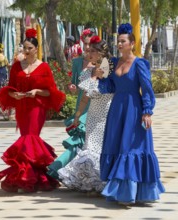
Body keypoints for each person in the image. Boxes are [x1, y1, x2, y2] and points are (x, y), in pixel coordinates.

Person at [96, 23, 165, 205]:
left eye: (123, 41)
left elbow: (147, 89)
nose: (119, 44)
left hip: (133, 109)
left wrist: (147, 112)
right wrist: (100, 76)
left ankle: (128, 193)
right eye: (118, 41)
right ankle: (121, 190)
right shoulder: (110, 63)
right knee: (116, 146)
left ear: (132, 43)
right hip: (117, 109)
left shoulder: (139, 63)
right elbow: (107, 89)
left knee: (130, 148)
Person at [0, 28, 66, 193]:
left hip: (37, 108)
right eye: (24, 48)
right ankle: (30, 177)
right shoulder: (16, 67)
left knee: (30, 137)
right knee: (25, 138)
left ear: (36, 49)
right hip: (22, 107)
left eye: (29, 48)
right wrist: (15, 95)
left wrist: (36, 92)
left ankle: (28, 177)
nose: (26, 51)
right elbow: (9, 88)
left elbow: (51, 92)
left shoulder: (44, 67)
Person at [57, 36, 113, 193]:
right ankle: (91, 183)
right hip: (92, 113)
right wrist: (78, 115)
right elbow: (84, 96)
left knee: (100, 147)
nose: (90, 53)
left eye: (94, 51)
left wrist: (94, 76)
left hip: (105, 112)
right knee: (90, 146)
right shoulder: (90, 70)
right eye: (89, 50)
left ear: (101, 53)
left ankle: (102, 182)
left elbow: (96, 90)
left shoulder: (106, 67)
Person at [47, 28, 95, 180]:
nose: (87, 47)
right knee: (80, 141)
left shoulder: (102, 62)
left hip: (97, 107)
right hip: (82, 106)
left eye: (90, 44)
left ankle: (81, 174)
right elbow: (73, 85)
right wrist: (72, 87)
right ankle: (58, 170)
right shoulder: (77, 62)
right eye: (85, 44)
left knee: (89, 144)